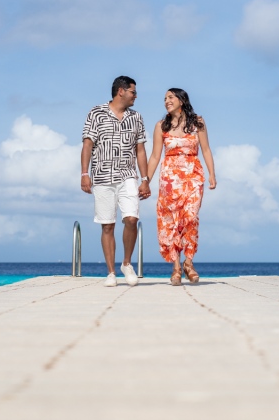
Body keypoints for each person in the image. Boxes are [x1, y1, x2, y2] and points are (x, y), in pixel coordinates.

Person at [81, 76, 151, 287]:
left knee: (131, 219)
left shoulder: (136, 117)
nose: (136, 96)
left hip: (128, 175)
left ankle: (126, 263)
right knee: (108, 225)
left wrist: (145, 179)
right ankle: (111, 272)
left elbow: (140, 149)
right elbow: (87, 145)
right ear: (121, 91)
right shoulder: (96, 112)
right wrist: (85, 173)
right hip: (102, 177)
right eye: (133, 92)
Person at [147, 88, 216, 286]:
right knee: (170, 221)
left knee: (191, 217)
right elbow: (154, 156)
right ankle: (176, 267)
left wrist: (212, 174)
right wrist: (146, 181)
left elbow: (206, 149)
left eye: (170, 97)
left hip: (193, 175)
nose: (166, 101)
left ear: (182, 100)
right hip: (169, 177)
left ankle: (189, 262)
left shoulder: (198, 123)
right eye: (164, 99)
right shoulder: (161, 126)